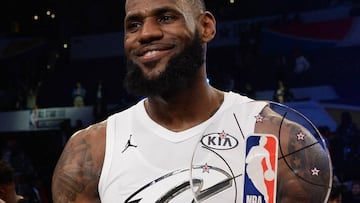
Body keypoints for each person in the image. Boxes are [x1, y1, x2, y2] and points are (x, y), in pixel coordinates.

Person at [52, 0, 331, 202]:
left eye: (165, 18)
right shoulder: (90, 152)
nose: (146, 33)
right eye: (133, 24)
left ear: (206, 27)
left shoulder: (279, 138)